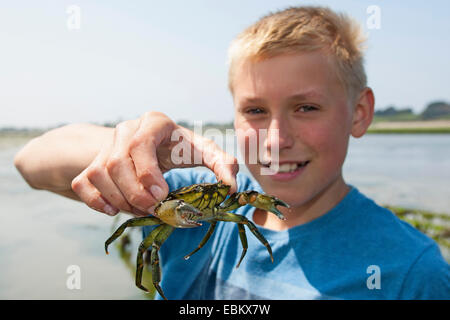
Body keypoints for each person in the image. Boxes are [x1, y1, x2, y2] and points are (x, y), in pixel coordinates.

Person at [14, 6, 449, 299]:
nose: (275, 139)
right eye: (255, 110)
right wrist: (123, 150)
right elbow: (31, 160)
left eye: (306, 107)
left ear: (359, 113)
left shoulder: (412, 273)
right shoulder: (177, 196)